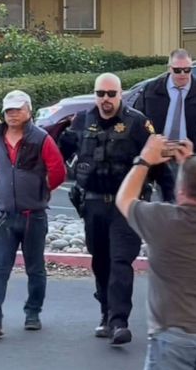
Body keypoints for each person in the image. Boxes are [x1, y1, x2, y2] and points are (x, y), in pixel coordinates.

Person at [63, 73, 176, 345]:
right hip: (92, 204)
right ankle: (106, 311)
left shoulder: (137, 123)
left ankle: (119, 322)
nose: (106, 99)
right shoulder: (81, 121)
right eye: (101, 94)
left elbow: (159, 165)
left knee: (120, 261)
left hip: (126, 206)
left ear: (121, 95)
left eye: (111, 94)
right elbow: (61, 152)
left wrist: (171, 200)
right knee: (100, 261)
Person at [115, 136, 196, 370]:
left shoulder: (164, 221)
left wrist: (145, 159)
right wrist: (190, 162)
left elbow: (124, 199)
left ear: (180, 190)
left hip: (175, 334)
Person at [0, 91, 65, 337]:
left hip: (32, 215)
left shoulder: (41, 139)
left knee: (35, 268)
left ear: (28, 111)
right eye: (8, 110)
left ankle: (33, 312)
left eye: (17, 109)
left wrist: (43, 189)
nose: (12, 114)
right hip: (4, 214)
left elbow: (57, 169)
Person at [133, 49, 196, 152]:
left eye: (187, 70)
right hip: (158, 153)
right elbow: (138, 119)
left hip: (193, 154)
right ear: (169, 69)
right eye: (177, 70)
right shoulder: (151, 90)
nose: (182, 74)